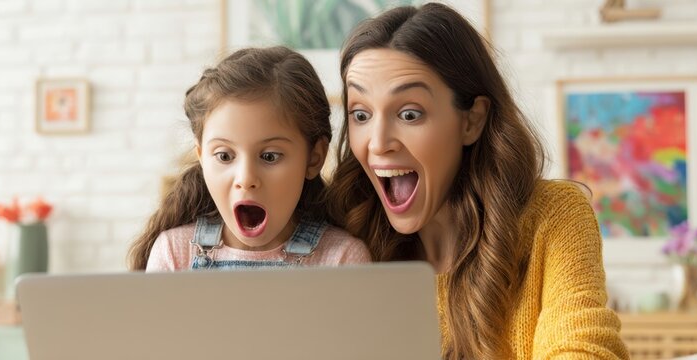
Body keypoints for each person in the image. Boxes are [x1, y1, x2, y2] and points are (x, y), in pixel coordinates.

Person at [325, 3, 628, 359]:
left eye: (409, 114)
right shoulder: (344, 244)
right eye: (361, 114)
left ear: (472, 120)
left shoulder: (554, 216)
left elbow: (584, 350)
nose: (377, 143)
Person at [128, 46, 370, 271]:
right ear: (201, 157)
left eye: (269, 156)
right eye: (224, 156)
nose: (246, 179)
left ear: (314, 158)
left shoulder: (343, 259)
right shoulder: (174, 252)